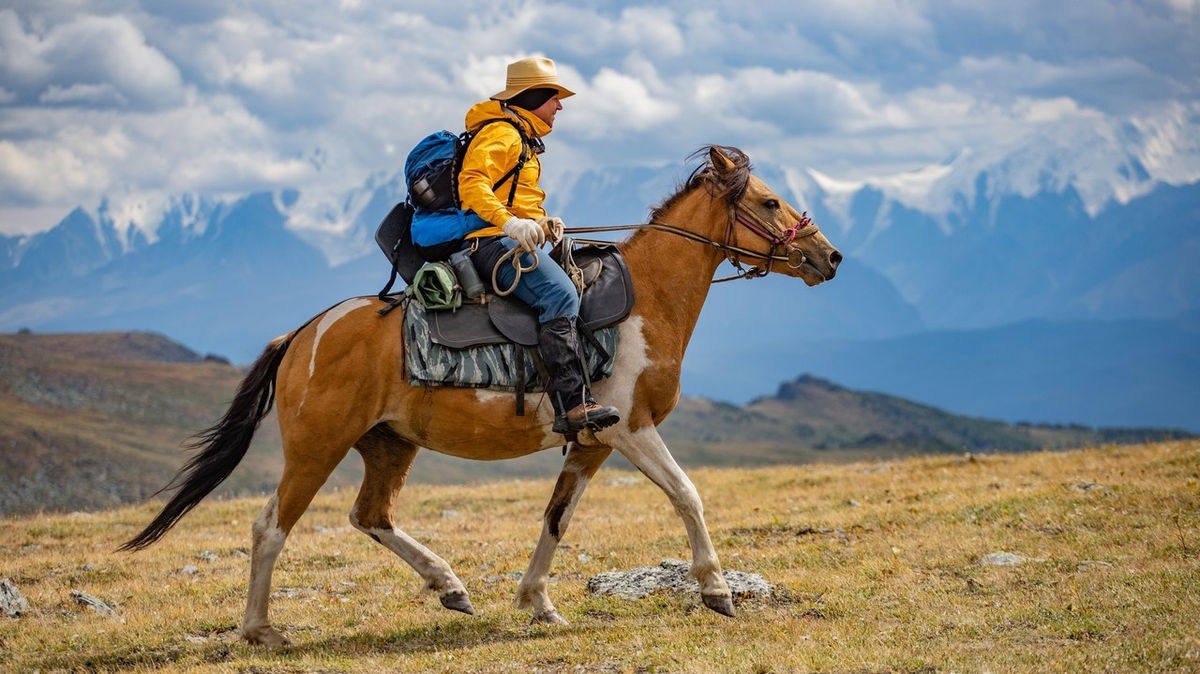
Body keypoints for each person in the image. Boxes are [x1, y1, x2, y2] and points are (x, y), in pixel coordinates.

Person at [458, 56, 620, 435]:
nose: (560, 105)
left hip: (500, 235)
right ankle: (574, 404)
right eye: (554, 97)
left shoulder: (522, 136)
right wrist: (510, 223)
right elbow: (473, 182)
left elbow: (512, 195)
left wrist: (539, 222)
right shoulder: (505, 134)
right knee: (561, 294)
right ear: (534, 97)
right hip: (487, 242)